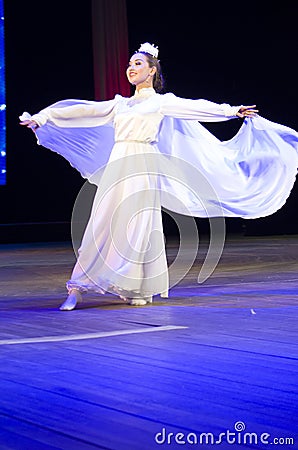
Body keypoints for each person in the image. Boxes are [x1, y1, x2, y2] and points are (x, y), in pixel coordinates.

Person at [20, 42, 298, 311]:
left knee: (140, 226)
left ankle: (136, 287)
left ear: (152, 70)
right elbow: (83, 110)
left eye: (138, 64)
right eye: (129, 64)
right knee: (102, 222)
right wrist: (44, 117)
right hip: (119, 164)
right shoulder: (121, 105)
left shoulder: (161, 103)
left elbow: (197, 107)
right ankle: (77, 287)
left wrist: (230, 111)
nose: (131, 68)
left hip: (143, 165)